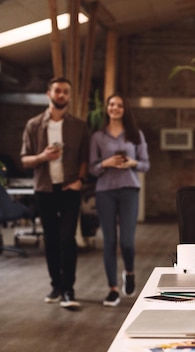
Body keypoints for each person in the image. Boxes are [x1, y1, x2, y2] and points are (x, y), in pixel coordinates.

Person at [20, 77, 89, 309]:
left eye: (65, 92)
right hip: (45, 189)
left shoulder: (79, 126)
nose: (61, 95)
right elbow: (25, 160)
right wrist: (43, 157)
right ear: (48, 93)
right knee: (51, 239)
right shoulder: (34, 125)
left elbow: (84, 158)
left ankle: (69, 289)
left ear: (69, 96)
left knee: (67, 238)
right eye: (57, 91)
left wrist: (80, 180)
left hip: (69, 188)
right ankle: (56, 286)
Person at [89, 93, 150, 307]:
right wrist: (105, 163)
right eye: (112, 104)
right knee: (109, 241)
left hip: (129, 190)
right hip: (105, 191)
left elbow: (145, 165)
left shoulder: (135, 135)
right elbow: (92, 169)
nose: (115, 108)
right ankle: (113, 289)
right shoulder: (98, 137)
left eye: (119, 105)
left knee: (126, 241)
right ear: (107, 108)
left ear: (125, 109)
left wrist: (132, 162)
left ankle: (130, 272)